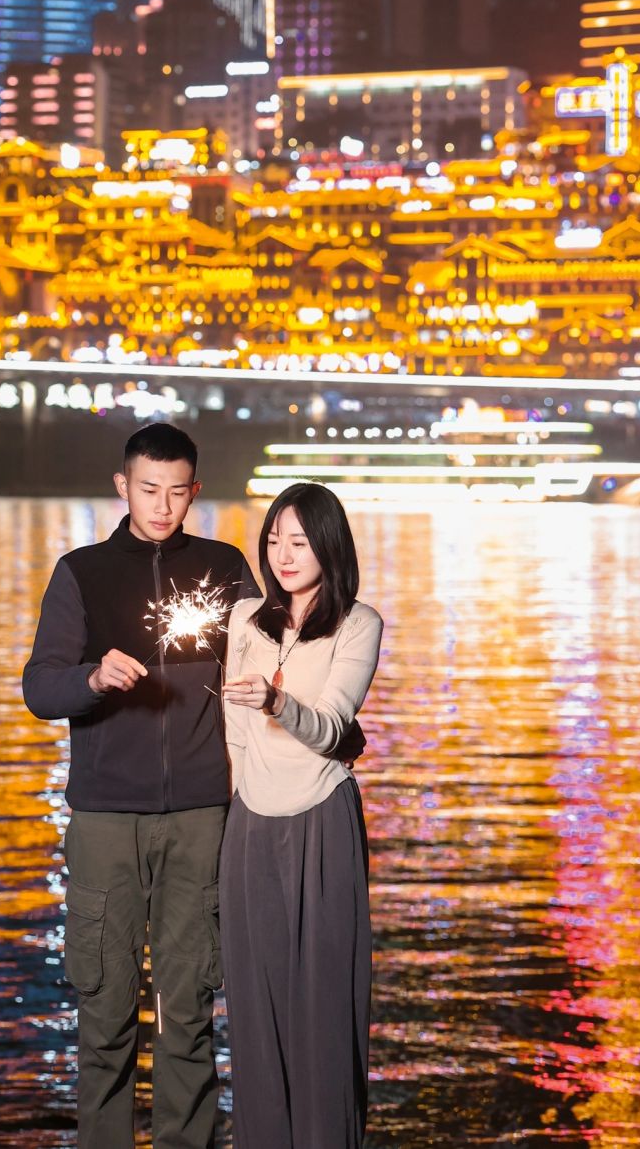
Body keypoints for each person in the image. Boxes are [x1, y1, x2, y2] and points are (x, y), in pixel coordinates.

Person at [21, 422, 258, 1149]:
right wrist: (92, 678)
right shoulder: (81, 571)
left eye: (177, 490)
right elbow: (39, 686)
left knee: (189, 1010)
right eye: (148, 488)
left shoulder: (226, 565)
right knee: (104, 1011)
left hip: (200, 814)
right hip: (104, 820)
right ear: (122, 487)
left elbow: (273, 658)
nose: (162, 504)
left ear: (194, 491)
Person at [221, 481, 383, 1149]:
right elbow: (233, 733)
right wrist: (234, 812)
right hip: (250, 826)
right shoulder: (244, 618)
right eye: (273, 538)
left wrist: (276, 700)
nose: (283, 553)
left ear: (329, 544)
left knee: (324, 1014)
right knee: (255, 1017)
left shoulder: (359, 623)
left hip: (322, 823)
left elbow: (334, 724)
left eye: (299, 539)